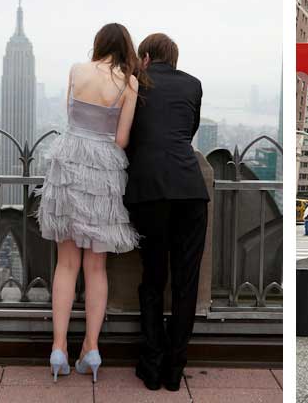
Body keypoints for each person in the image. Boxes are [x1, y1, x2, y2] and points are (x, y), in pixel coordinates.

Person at [36, 23, 142, 383]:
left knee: (66, 265)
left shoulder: (77, 71)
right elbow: (123, 138)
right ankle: (92, 348)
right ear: (125, 47)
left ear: (98, 44)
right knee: (96, 269)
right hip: (103, 169)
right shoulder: (129, 82)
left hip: (69, 161)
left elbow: (70, 116)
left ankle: (59, 347)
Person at [124, 33, 210, 392]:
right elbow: (188, 131)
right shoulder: (193, 84)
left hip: (150, 192)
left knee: (153, 278)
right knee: (186, 282)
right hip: (191, 190)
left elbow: (128, 134)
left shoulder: (136, 83)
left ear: (144, 57)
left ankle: (152, 363)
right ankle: (176, 369)